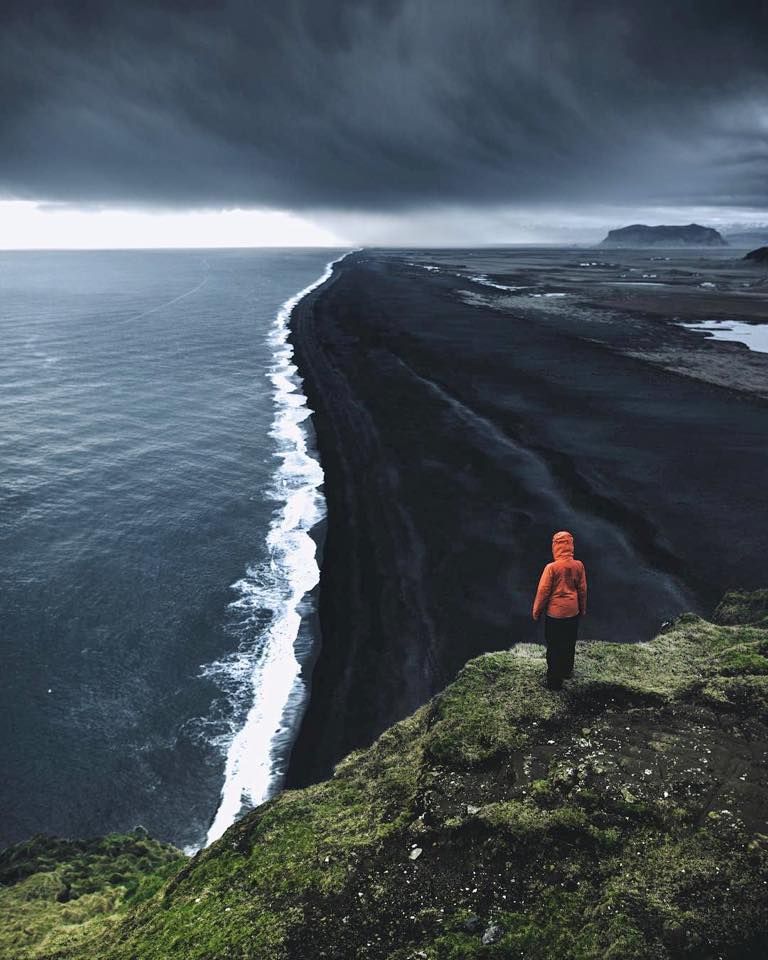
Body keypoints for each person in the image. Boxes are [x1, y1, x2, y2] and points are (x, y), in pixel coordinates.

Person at [532, 530, 587, 690]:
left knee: (554, 645)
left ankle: (554, 682)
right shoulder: (578, 565)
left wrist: (536, 611)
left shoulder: (551, 568)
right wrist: (582, 609)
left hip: (555, 615)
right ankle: (567, 671)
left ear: (555, 547)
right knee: (569, 643)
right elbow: (582, 590)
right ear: (571, 546)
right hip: (572, 612)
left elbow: (543, 592)